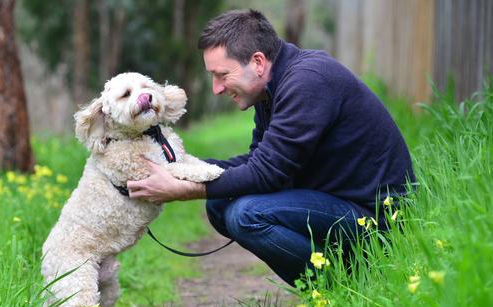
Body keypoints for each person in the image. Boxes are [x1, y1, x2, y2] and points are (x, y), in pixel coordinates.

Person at [127, 9, 416, 286]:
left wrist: (185, 189)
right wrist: (181, 168)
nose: (216, 87)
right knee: (219, 205)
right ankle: (334, 283)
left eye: (221, 75)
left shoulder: (308, 81)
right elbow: (259, 160)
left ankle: (343, 289)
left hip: (379, 220)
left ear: (258, 62)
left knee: (247, 215)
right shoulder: (273, 87)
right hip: (337, 202)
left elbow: (268, 174)